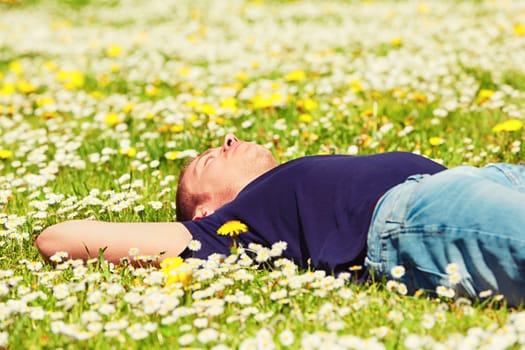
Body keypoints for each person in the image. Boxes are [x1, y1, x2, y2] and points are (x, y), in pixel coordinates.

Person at [36, 134, 525, 305]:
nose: (226, 140)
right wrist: (188, 234)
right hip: (420, 217)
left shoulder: (281, 186)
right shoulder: (222, 230)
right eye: (210, 159)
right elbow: (55, 238)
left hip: (483, 178)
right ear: (208, 211)